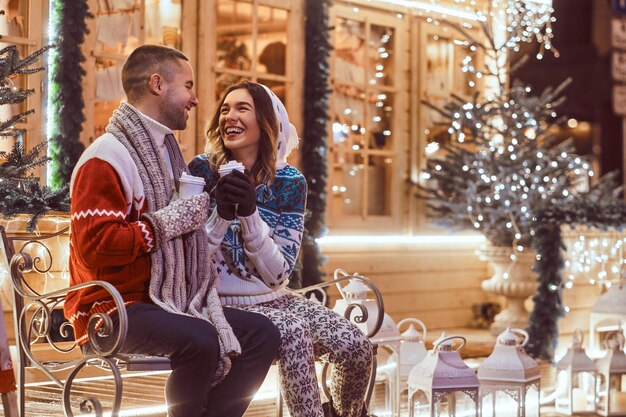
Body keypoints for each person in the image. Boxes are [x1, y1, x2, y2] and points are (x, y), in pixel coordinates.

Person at [64, 45, 280, 417]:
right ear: (157, 84)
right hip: (110, 308)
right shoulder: (106, 156)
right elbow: (95, 247)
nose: (196, 99)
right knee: (200, 339)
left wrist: (221, 215)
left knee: (263, 334)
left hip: (165, 298)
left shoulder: (166, 154)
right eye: (189, 86)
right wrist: (169, 221)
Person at [188, 80, 374, 417]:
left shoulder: (290, 182)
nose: (229, 115)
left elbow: (278, 275)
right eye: (225, 109)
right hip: (215, 303)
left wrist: (249, 215)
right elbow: (188, 258)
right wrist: (221, 216)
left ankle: (348, 414)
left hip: (274, 297)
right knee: (294, 332)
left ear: (266, 122)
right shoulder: (201, 172)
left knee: (354, 345)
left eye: (242, 108)